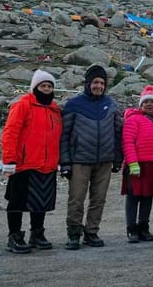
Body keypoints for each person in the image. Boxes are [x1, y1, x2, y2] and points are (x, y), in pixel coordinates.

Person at [59, 64, 123, 250]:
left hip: (104, 160)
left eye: (102, 83)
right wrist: (65, 162)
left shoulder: (111, 104)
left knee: (99, 198)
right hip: (79, 160)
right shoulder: (74, 104)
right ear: (88, 83)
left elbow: (118, 132)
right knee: (76, 198)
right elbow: (64, 135)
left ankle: (92, 232)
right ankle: (73, 233)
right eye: (95, 82)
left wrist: (117, 159)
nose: (99, 86)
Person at [1, 70, 62, 254]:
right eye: (43, 86)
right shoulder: (22, 105)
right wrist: (9, 159)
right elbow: (10, 132)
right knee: (17, 201)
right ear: (35, 87)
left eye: (49, 86)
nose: (46, 89)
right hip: (23, 163)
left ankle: (37, 233)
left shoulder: (55, 109)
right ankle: (14, 236)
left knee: (41, 201)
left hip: (47, 164)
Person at [121, 85, 153, 243]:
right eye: (145, 102)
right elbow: (128, 142)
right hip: (137, 164)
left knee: (148, 198)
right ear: (140, 105)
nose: (149, 104)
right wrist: (133, 163)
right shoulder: (133, 119)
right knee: (133, 197)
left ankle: (144, 227)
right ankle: (131, 229)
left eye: (152, 102)